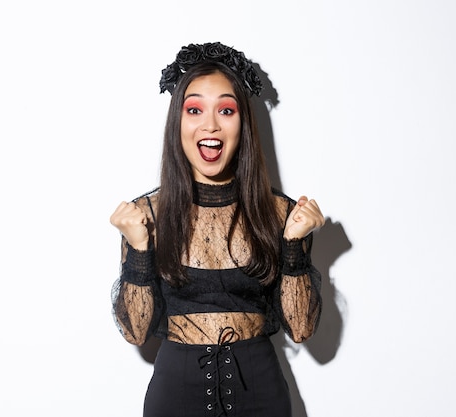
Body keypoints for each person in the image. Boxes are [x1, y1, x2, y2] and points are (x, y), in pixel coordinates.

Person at [110, 41, 325, 417]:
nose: (210, 125)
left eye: (226, 110)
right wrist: (140, 250)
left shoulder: (280, 213)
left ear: (243, 123)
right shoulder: (146, 215)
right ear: (178, 122)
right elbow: (136, 332)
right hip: (174, 398)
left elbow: (302, 328)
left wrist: (293, 244)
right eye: (194, 109)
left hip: (262, 396)